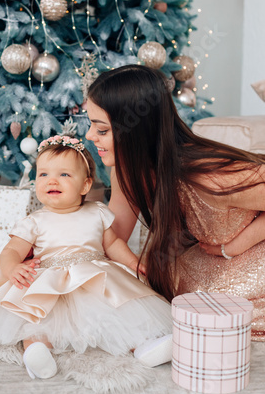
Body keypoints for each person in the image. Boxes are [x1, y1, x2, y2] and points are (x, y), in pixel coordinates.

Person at [0, 135, 172, 380]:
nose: (52, 180)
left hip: (93, 277)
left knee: (122, 310)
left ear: (85, 185)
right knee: (37, 317)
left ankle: (144, 347)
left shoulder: (98, 212)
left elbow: (113, 244)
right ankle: (36, 352)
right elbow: (11, 251)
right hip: (50, 282)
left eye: (64, 174)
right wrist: (12, 269)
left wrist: (133, 262)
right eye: (43, 174)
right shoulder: (34, 221)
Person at [85, 64, 265, 340]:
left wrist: (236, 244)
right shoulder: (126, 169)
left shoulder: (212, 178)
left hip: (253, 258)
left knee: (206, 309)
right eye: (90, 125)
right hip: (207, 261)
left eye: (101, 129)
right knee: (163, 286)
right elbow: (112, 237)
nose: (89, 136)